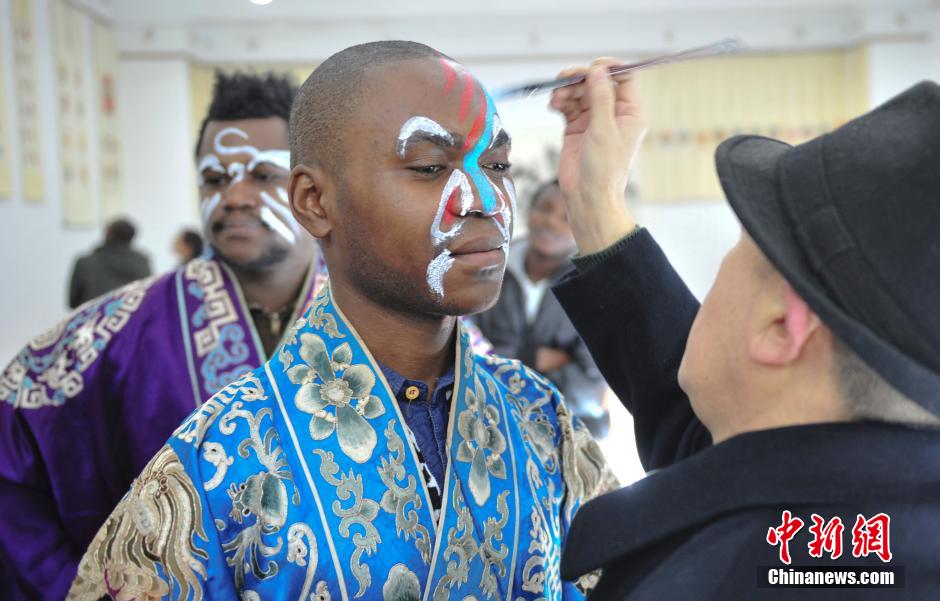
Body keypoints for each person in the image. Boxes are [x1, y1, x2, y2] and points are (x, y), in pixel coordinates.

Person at [67, 41, 614, 601]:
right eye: (430, 166)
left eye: (497, 166)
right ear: (314, 201)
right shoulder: (219, 464)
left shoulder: (541, 417)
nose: (485, 200)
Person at [543, 61, 940, 598]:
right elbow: (714, 441)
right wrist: (595, 202)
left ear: (781, 325)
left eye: (740, 245)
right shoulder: (876, 512)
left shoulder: (714, 582)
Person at [0, 71, 326, 600]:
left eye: (262, 175)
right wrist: (71, 586)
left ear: (312, 187)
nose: (234, 197)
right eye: (215, 178)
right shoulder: (112, 335)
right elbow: (11, 456)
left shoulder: (384, 324)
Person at [476, 179, 609, 437]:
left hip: (569, 433)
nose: (551, 222)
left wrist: (512, 367)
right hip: (493, 426)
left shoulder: (593, 288)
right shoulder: (488, 268)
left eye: (566, 218)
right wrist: (535, 358)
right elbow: (471, 353)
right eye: (545, 208)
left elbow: (592, 392)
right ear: (530, 210)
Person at [68, 217, 151, 308]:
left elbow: (73, 303)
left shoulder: (85, 262)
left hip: (95, 320)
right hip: (133, 319)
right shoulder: (142, 262)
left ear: (109, 234)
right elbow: (148, 297)